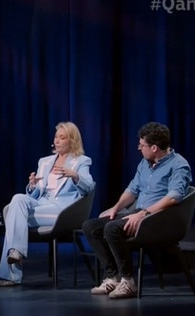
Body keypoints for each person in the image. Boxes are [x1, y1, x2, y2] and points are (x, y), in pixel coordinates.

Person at [82, 122, 191, 299]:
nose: (139, 148)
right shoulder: (145, 163)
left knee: (112, 229)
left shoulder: (178, 165)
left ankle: (128, 281)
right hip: (139, 213)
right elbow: (132, 190)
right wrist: (116, 207)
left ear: (154, 147)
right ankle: (113, 276)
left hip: (160, 219)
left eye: (142, 145)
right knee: (91, 227)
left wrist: (144, 213)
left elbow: (174, 197)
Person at [0, 121, 95, 287]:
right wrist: (32, 185)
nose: (57, 140)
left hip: (63, 211)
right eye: (56, 137)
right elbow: (35, 194)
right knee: (18, 198)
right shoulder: (45, 161)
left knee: (14, 220)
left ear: (72, 140)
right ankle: (16, 252)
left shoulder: (81, 161)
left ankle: (11, 275)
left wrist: (75, 176)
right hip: (42, 204)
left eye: (62, 138)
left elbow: (89, 186)